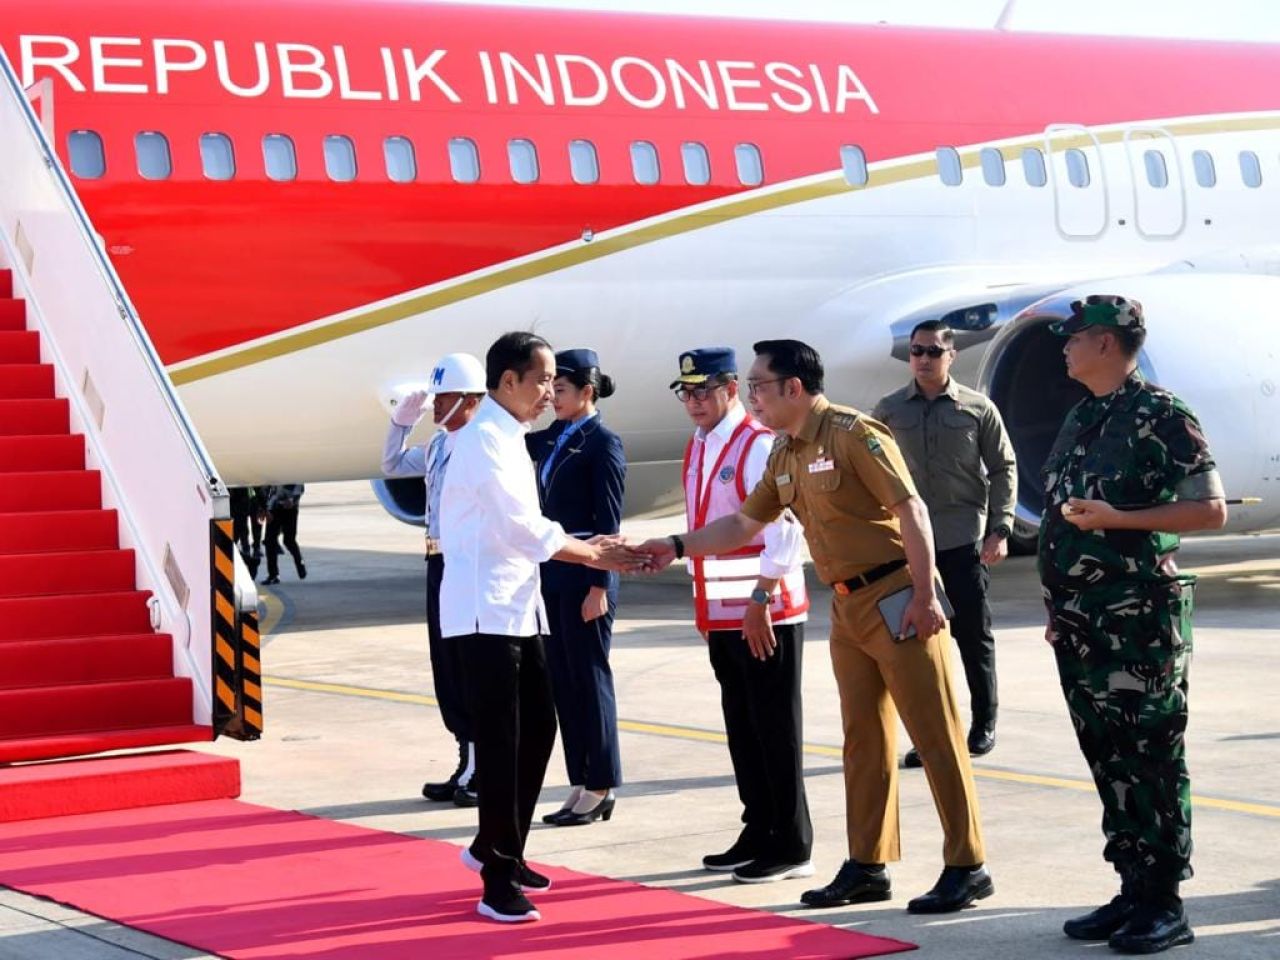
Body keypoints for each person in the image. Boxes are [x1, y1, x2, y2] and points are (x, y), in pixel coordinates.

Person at [638, 339, 992, 914]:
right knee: (863, 740)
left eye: (759, 385)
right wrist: (675, 545)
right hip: (848, 606)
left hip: (897, 596)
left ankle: (967, 865)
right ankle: (868, 864)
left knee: (935, 735)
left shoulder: (853, 434)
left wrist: (927, 595)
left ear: (793, 388)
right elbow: (742, 524)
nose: (753, 396)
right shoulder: (785, 452)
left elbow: (911, 510)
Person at [1039, 295, 1226, 954]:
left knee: (1151, 757)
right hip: (1081, 620)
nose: (1065, 347)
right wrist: (1058, 605)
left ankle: (1165, 901)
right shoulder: (1084, 415)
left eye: (1074, 338)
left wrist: (1119, 519)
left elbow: (1209, 510)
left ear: (1107, 343)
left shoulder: (1163, 414)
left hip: (1139, 618)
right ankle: (1132, 885)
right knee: (1107, 753)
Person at [440, 331, 640, 924]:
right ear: (508, 382)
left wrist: (591, 550)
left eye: (554, 381)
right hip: (484, 613)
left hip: (516, 607)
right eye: (543, 380)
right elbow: (523, 529)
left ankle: (498, 847)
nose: (550, 392)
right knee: (503, 745)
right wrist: (594, 553)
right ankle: (496, 881)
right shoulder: (482, 440)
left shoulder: (508, 435)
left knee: (537, 730)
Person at [667, 346, 814, 884]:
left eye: (704, 390)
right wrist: (707, 609)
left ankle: (792, 844)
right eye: (686, 392)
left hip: (765, 613)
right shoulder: (700, 445)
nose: (694, 401)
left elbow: (786, 532)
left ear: (731, 389)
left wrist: (760, 600)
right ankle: (759, 828)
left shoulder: (757, 445)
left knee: (776, 729)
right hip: (722, 615)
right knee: (744, 730)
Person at [874, 320, 1016, 765]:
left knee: (973, 639)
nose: (923, 358)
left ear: (951, 356)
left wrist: (1000, 529)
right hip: (907, 547)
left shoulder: (977, 408)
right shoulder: (889, 410)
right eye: (916, 351)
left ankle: (984, 723)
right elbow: (868, 472)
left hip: (962, 541)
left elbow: (1003, 468)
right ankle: (932, 736)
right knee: (917, 648)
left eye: (933, 351)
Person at [528, 349, 627, 827]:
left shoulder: (602, 443)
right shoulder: (551, 437)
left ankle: (602, 784)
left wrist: (600, 585)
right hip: (552, 571)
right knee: (564, 682)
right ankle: (580, 779)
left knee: (590, 679)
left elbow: (610, 524)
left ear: (587, 392)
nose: (552, 397)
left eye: (561, 390)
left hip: (586, 573)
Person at [382, 353, 487, 808]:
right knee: (446, 663)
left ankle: (481, 765)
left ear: (470, 399)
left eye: (444, 397)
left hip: (466, 562)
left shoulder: (480, 444)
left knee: (469, 663)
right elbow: (392, 464)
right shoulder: (441, 445)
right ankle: (466, 758)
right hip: (438, 561)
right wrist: (400, 424)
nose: (436, 405)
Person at [262, 484, 305, 585]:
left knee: (289, 540)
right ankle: (273, 575)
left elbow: (299, 485)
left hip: (290, 509)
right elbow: (265, 488)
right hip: (274, 508)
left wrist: (293, 500)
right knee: (270, 541)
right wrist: (265, 508)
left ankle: (300, 563)